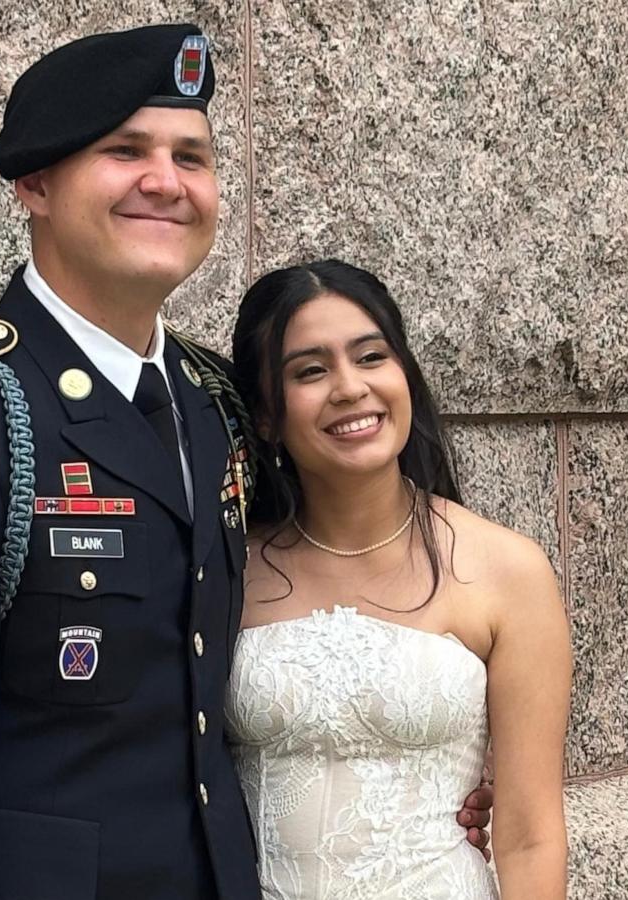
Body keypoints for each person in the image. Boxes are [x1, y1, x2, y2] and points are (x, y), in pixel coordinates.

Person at [0, 24, 490, 900]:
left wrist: (439, 742)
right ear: (34, 183)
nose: (166, 181)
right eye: (126, 151)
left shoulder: (218, 404)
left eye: (191, 157)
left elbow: (321, 569)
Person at [226, 260, 571, 899]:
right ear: (267, 415)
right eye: (310, 371)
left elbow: (530, 836)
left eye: (371, 357)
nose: (350, 388)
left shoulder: (506, 570)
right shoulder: (225, 570)